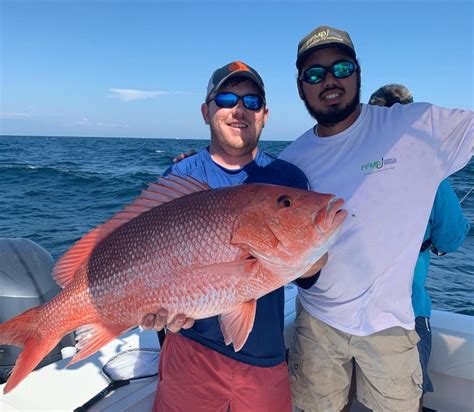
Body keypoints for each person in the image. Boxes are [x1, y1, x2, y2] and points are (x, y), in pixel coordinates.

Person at [278, 25, 473, 412]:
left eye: (342, 68)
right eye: (315, 74)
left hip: (391, 325)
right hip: (316, 323)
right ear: (301, 87)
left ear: (359, 72)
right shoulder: (291, 161)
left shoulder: (414, 125)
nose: (329, 80)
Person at [142, 60, 327, 412]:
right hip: (190, 352)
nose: (239, 110)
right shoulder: (180, 174)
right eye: (226, 99)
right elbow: (148, 254)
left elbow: (310, 274)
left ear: (265, 115)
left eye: (252, 102)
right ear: (206, 110)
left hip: (265, 357)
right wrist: (153, 310)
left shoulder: (286, 177)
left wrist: (312, 256)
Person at [368, 84, 471, 409]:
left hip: (347, 316)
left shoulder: (356, 169)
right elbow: (453, 236)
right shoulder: (430, 173)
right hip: (407, 314)